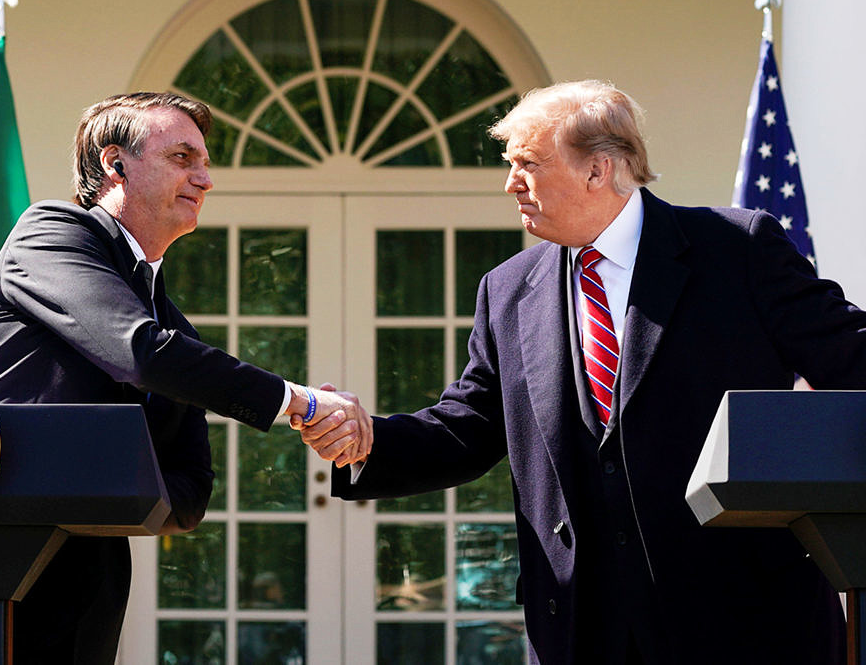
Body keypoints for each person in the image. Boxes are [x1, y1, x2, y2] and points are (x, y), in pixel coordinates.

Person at [299, 80, 866, 665]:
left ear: (598, 170)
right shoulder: (507, 288)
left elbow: (851, 357)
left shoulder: (737, 247)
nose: (510, 182)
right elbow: (468, 428)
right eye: (509, 164)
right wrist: (365, 439)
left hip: (743, 620)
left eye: (527, 164)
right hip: (579, 628)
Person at [0, 92, 369, 665]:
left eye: (204, 162)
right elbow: (138, 354)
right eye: (182, 157)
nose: (204, 178)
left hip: (82, 606)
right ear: (114, 162)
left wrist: (109, 486)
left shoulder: (173, 327)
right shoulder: (49, 235)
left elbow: (191, 489)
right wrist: (298, 402)